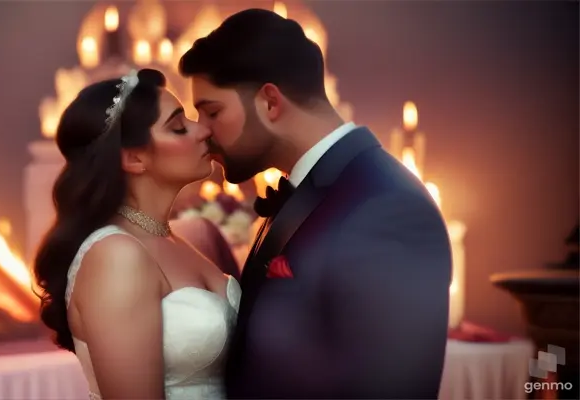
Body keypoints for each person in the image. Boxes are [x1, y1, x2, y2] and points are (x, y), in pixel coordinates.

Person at [179, 8, 452, 399]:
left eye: (212, 111)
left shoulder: (385, 207)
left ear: (269, 102)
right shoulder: (311, 190)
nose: (202, 131)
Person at [33, 68, 241, 400]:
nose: (203, 130)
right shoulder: (116, 256)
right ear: (134, 158)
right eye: (178, 127)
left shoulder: (175, 238)